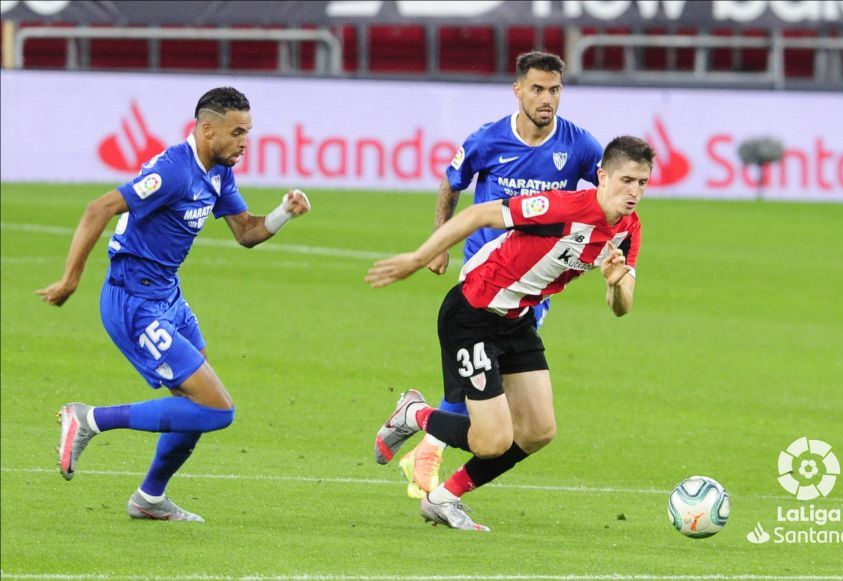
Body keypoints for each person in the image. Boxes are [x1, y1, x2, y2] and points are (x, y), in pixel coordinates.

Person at [37, 86, 311, 522]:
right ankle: (89, 419)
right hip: (134, 302)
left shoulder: (219, 171)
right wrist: (71, 279)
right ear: (207, 130)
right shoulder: (173, 171)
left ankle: (149, 499)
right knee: (217, 410)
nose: (245, 142)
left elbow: (246, 233)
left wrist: (282, 213)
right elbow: (98, 208)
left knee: (194, 407)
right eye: (237, 132)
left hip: (168, 296)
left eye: (249, 132)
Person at [368, 136, 656, 531]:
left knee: (539, 431)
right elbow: (479, 215)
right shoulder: (564, 207)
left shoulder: (628, 231)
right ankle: (414, 414)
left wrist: (613, 283)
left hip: (516, 319)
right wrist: (418, 258)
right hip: (473, 312)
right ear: (602, 176)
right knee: (492, 441)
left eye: (642, 183)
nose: (634, 191)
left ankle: (444, 498)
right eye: (627, 180)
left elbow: (623, 306)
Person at [400, 50, 605, 500]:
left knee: (504, 400)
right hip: (484, 276)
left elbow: (607, 189)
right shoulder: (488, 140)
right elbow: (451, 183)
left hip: (535, 284)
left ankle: (426, 443)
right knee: (489, 381)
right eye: (537, 89)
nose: (546, 98)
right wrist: (441, 241)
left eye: (554, 90)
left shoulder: (581, 146)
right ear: (518, 90)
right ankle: (428, 455)